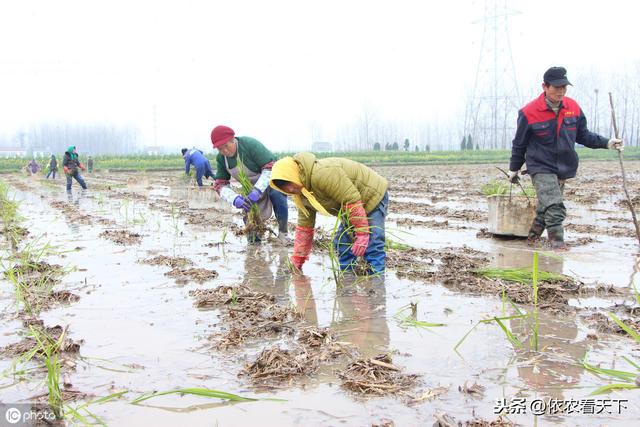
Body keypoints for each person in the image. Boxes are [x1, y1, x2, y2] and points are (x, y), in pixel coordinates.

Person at [507, 66, 624, 250]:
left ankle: (531, 239)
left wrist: (608, 142)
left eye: (564, 87)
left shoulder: (573, 108)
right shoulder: (528, 112)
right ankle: (558, 246)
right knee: (555, 206)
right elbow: (519, 143)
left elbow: (584, 136)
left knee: (546, 206)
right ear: (544, 86)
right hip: (540, 166)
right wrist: (514, 169)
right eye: (556, 87)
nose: (561, 91)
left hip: (563, 166)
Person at [269, 152, 389, 275]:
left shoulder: (321, 174)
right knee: (342, 243)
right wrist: (298, 260)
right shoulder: (302, 195)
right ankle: (347, 277)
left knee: (373, 242)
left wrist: (362, 233)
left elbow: (351, 200)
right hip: (351, 206)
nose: (289, 189)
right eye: (284, 188)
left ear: (294, 174)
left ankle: (377, 282)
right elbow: (305, 228)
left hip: (372, 195)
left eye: (288, 183)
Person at [210, 125, 289, 243]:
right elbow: (220, 185)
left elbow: (271, 167)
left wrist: (257, 190)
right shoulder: (221, 159)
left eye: (226, 146)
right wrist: (234, 198)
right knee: (252, 237)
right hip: (250, 189)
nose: (224, 151)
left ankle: (283, 234)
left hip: (271, 181)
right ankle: (254, 239)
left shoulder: (249, 145)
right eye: (220, 149)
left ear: (233, 140)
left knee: (277, 194)